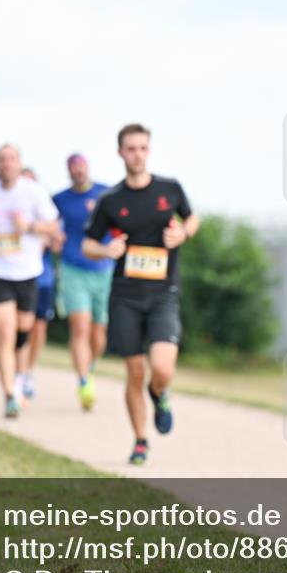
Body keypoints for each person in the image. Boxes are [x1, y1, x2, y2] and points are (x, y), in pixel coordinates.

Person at [83, 123, 199, 464]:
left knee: (162, 368)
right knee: (134, 371)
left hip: (163, 292)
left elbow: (192, 220)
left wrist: (183, 235)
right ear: (121, 152)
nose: (137, 154)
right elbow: (87, 243)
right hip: (125, 296)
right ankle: (140, 440)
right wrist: (105, 251)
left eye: (143, 148)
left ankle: (159, 393)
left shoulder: (170, 189)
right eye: (131, 148)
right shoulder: (110, 200)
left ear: (149, 150)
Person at [0, 144, 59, 418]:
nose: (7, 164)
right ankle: (9, 396)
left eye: (12, 159)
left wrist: (29, 227)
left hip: (27, 272)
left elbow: (53, 225)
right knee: (5, 331)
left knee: (22, 331)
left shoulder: (33, 192)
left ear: (19, 163)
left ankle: (20, 373)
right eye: (2, 160)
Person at [53, 154, 112, 410]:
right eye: (73, 168)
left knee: (99, 335)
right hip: (73, 268)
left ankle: (90, 365)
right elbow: (51, 225)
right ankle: (84, 381)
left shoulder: (106, 194)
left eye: (81, 166)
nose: (78, 171)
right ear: (68, 171)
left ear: (87, 167)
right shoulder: (59, 199)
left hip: (104, 269)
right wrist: (53, 237)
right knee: (80, 328)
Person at [15, 166, 61, 401]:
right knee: (17, 327)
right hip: (14, 276)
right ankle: (18, 373)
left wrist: (45, 236)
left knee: (39, 326)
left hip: (43, 277)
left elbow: (57, 242)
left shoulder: (45, 210)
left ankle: (28, 371)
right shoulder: (10, 210)